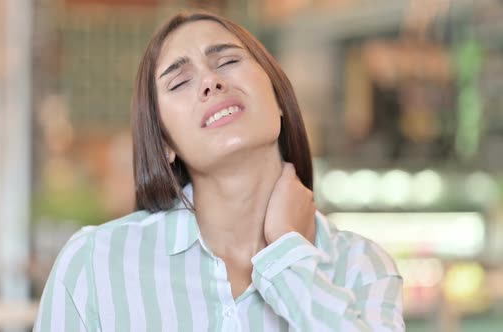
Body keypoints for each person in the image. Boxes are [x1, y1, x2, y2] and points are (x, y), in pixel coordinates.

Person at [33, 11, 404, 332]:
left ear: (277, 97)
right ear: (165, 143)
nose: (211, 81)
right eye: (179, 82)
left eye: (227, 61)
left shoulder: (361, 267)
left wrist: (290, 256)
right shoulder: (98, 263)